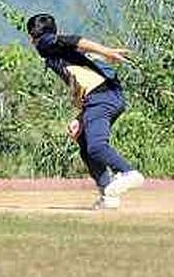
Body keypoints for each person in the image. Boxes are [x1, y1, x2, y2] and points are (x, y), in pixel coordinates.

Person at [26, 13, 144, 210]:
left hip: (101, 97)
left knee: (96, 147)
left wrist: (106, 51)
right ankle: (108, 195)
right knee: (85, 144)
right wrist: (80, 118)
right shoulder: (62, 53)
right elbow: (82, 79)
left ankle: (128, 173)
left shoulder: (45, 44)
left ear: (33, 36)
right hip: (104, 96)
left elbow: (74, 40)